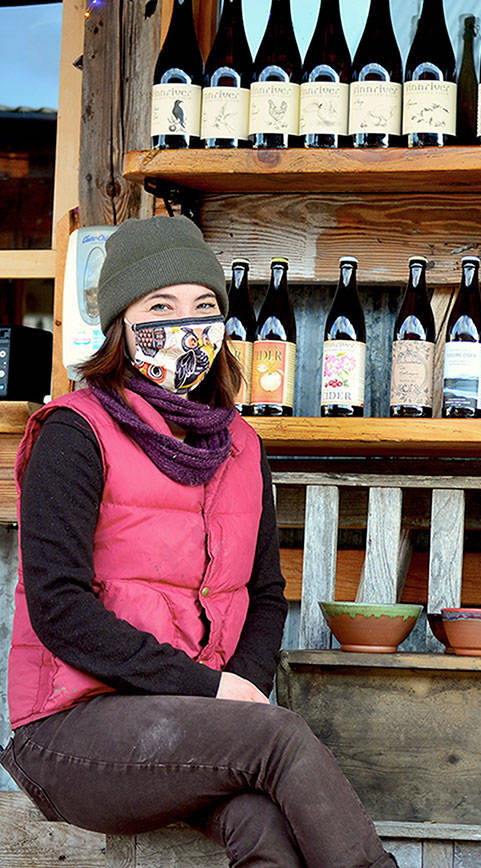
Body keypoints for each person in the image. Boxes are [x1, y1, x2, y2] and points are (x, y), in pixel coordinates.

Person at [0, 216, 396, 867]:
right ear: (123, 324)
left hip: (190, 728)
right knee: (278, 738)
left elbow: (267, 595)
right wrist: (214, 694)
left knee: (264, 827)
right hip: (71, 735)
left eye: (204, 307)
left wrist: (233, 689)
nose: (186, 327)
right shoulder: (77, 432)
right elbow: (61, 609)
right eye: (161, 307)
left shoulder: (241, 446)